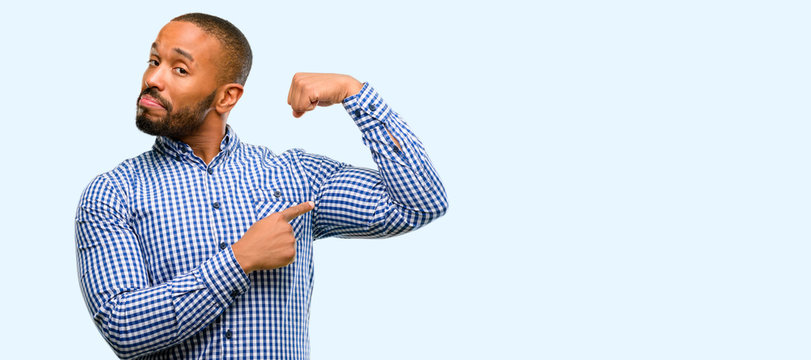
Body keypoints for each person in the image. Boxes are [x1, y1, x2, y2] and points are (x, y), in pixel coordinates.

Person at [75, 13, 447, 359]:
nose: (153, 79)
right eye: (153, 61)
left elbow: (420, 204)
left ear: (227, 97)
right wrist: (240, 260)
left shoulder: (296, 176)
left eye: (180, 68)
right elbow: (123, 327)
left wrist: (356, 94)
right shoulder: (112, 193)